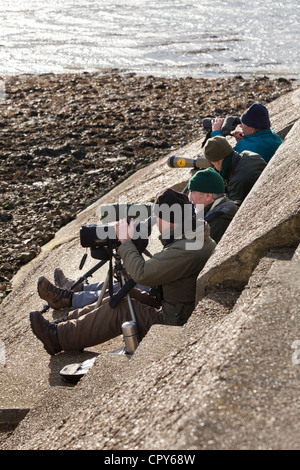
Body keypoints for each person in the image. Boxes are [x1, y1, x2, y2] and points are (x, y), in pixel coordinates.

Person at [30, 188, 216, 355]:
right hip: (177, 306)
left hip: (175, 321)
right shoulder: (192, 236)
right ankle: (64, 324)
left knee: (122, 308)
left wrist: (126, 243)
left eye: (157, 217)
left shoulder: (187, 248)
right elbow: (159, 271)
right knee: (123, 294)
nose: (155, 224)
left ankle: (57, 338)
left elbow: (143, 274)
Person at [203, 135, 267, 205]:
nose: (214, 167)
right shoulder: (250, 155)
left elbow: (232, 209)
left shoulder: (236, 181)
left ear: (217, 162)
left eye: (212, 164)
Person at [211, 103, 282, 163]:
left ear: (252, 129)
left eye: (243, 123)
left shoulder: (246, 147)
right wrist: (244, 141)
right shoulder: (274, 137)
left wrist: (216, 133)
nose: (240, 125)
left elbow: (223, 161)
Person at [188, 167, 238, 243]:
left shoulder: (217, 220)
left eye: (193, 193)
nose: (190, 198)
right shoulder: (225, 206)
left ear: (208, 196)